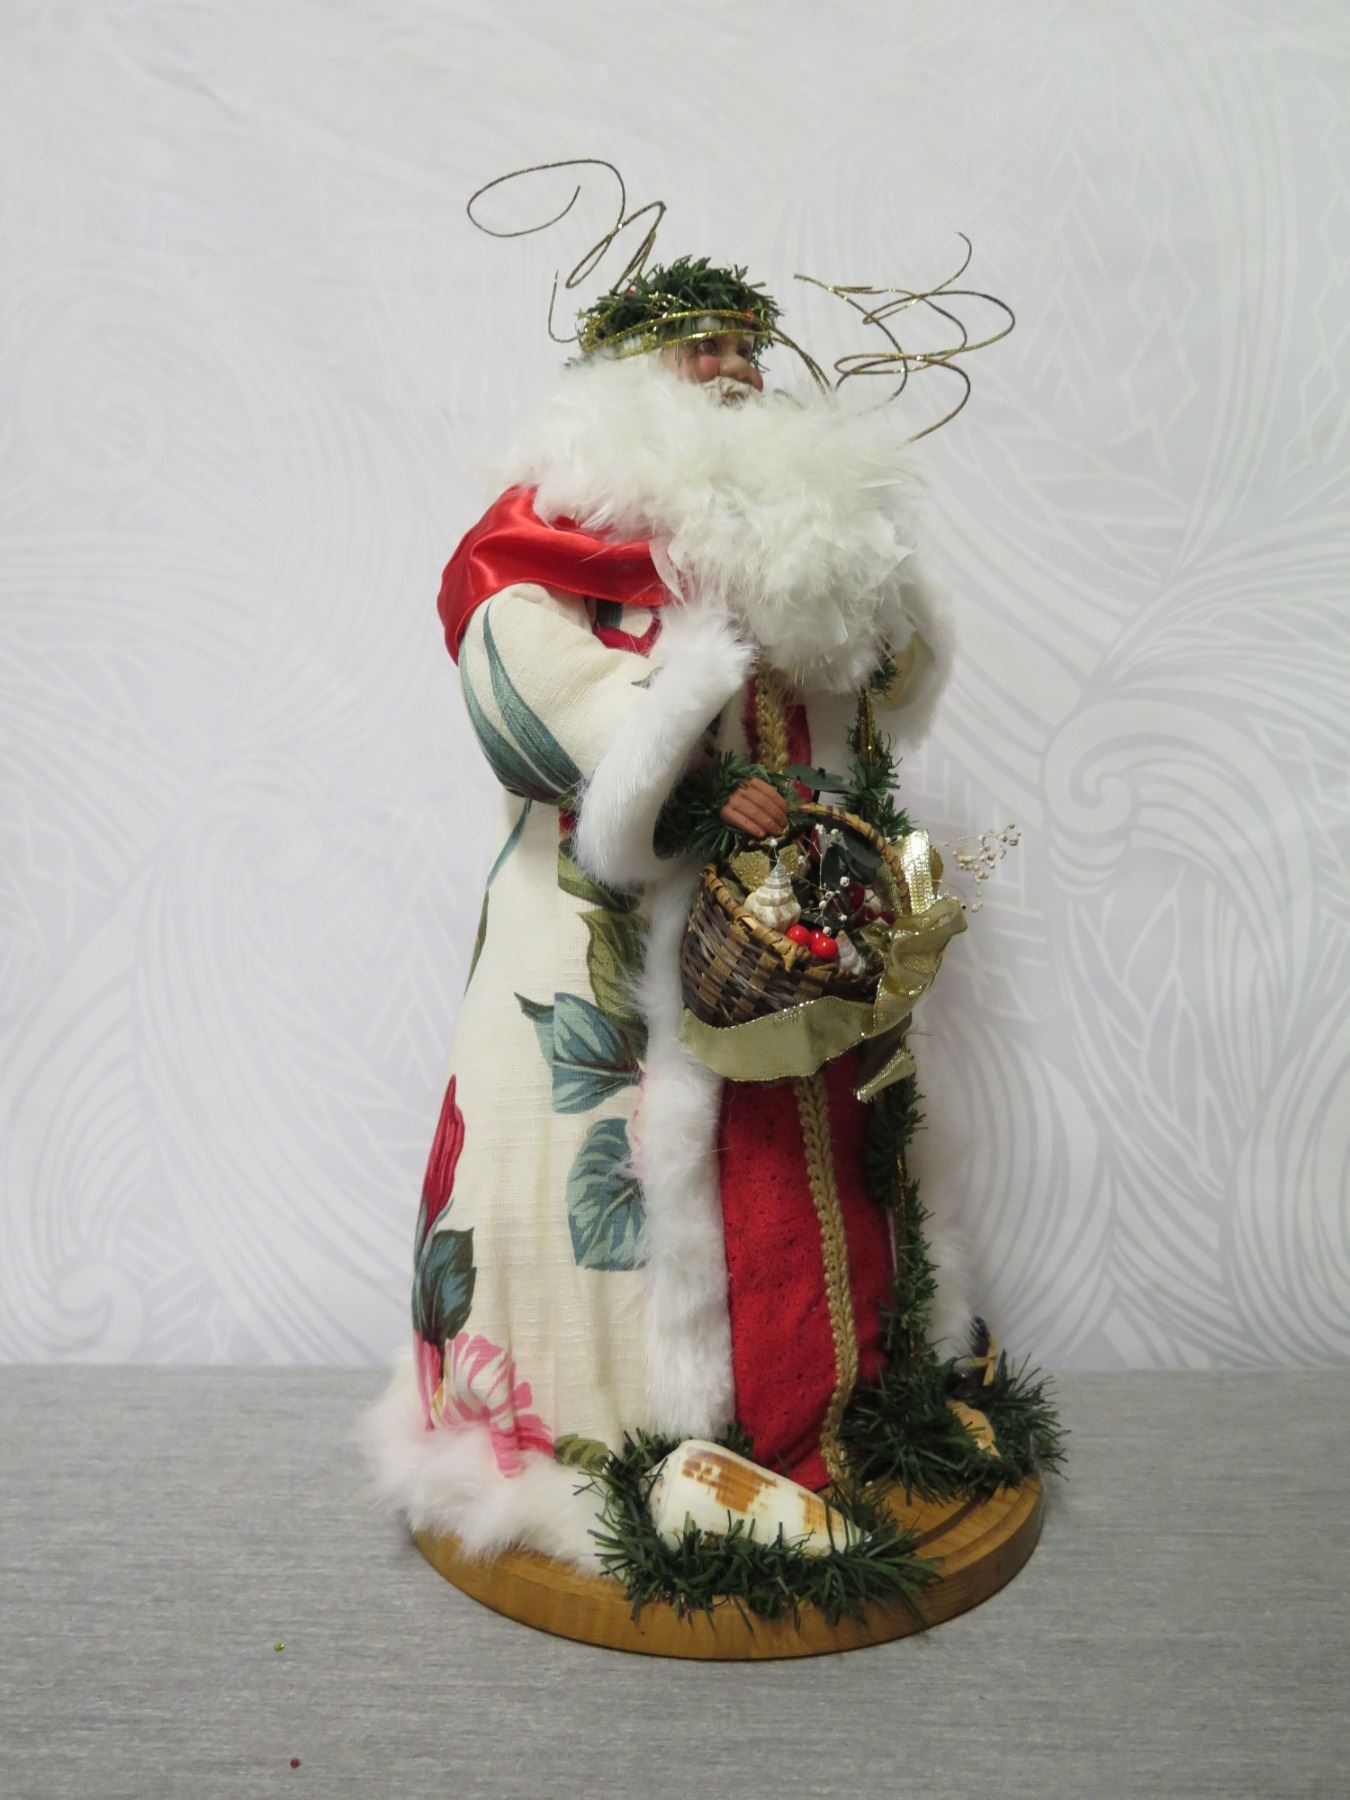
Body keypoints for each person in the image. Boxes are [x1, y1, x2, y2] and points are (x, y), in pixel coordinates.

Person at [368, 262, 973, 1569]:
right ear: (629, 379)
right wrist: (681, 778)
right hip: (615, 934)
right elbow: (515, 672)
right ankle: (625, 1449)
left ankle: (846, 1412)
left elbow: (885, 673)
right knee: (612, 1165)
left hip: (795, 935)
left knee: (834, 1160)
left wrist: (856, 553)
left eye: (748, 351)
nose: (733, 371)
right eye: (700, 349)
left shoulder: (781, 525)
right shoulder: (556, 523)